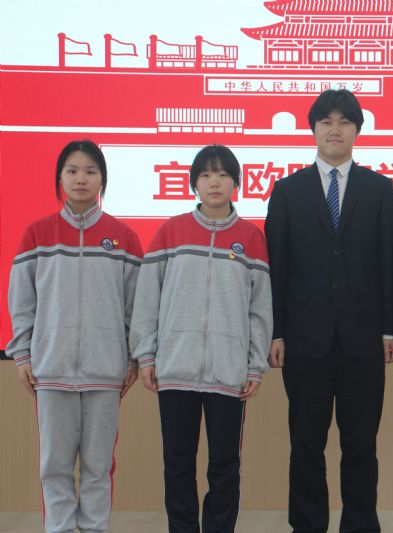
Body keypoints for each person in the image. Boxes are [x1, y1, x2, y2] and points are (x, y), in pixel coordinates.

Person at [264, 89, 393, 533]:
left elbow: (391, 265)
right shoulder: (287, 191)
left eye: (344, 121)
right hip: (305, 341)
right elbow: (277, 268)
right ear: (314, 129)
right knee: (306, 445)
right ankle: (308, 526)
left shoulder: (380, 189)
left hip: (364, 341)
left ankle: (360, 525)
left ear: (357, 130)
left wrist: (390, 329)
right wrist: (276, 332)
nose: (335, 129)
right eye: (326, 121)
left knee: (361, 446)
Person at [129, 144, 272, 533]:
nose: (214, 182)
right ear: (194, 183)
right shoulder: (170, 231)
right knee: (178, 463)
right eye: (206, 175)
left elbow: (260, 309)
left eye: (223, 175)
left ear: (236, 183)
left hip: (229, 372)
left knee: (225, 466)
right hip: (176, 368)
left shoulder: (250, 238)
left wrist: (254, 365)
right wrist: (146, 355)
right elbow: (147, 298)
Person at [6, 140, 143, 533]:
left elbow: (136, 306)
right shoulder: (37, 234)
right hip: (51, 370)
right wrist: (23, 355)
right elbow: (22, 302)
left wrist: (133, 357)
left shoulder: (123, 237)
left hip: (105, 371)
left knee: (99, 466)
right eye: (72, 170)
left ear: (102, 179)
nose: (81, 178)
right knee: (55, 466)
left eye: (90, 171)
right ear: (60, 178)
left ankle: (94, 528)